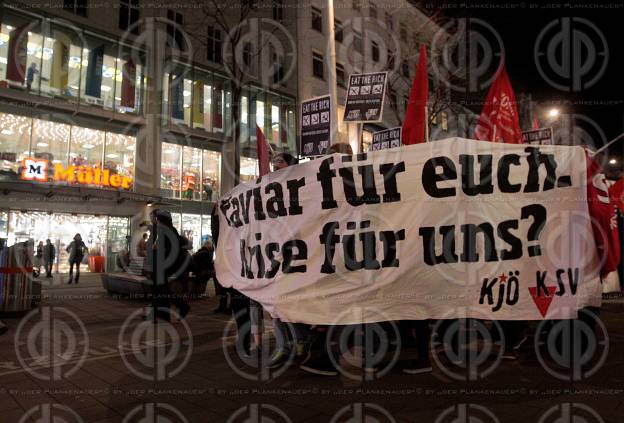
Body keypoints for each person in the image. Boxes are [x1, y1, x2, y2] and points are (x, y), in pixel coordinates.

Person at [146, 209, 191, 322]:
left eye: (157, 218)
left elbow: (166, 249)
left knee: (160, 291)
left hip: (162, 266)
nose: (155, 220)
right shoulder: (166, 229)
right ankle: (161, 314)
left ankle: (163, 316)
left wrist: (156, 248)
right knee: (161, 291)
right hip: (161, 266)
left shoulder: (166, 231)